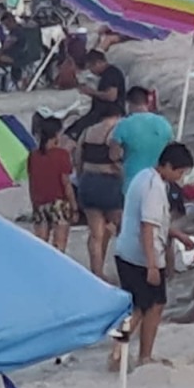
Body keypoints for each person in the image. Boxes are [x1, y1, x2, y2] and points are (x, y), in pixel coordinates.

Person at [111, 142, 194, 368]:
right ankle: (129, 355)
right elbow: (147, 227)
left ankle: (128, 354)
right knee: (146, 306)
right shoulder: (153, 187)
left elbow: (156, 223)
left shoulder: (145, 177)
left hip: (129, 253)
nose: (180, 176)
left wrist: (178, 235)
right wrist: (151, 265)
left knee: (146, 306)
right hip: (139, 257)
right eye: (179, 171)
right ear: (167, 165)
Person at [77, 112, 124, 281]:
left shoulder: (88, 131)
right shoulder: (116, 131)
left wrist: (81, 178)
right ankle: (126, 270)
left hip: (88, 181)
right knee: (120, 227)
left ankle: (96, 273)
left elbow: (78, 159)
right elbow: (116, 158)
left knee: (95, 233)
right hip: (109, 183)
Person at [28, 116, 77, 251]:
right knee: (59, 245)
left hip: (40, 203)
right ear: (56, 134)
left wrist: (34, 204)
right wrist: (74, 206)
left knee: (40, 245)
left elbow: (32, 183)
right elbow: (66, 183)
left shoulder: (33, 155)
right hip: (59, 203)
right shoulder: (62, 155)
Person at [112, 86, 174, 190]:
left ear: (128, 103)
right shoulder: (164, 123)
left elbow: (113, 155)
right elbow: (172, 150)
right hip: (157, 181)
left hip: (132, 182)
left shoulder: (123, 124)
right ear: (147, 102)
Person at [67, 50, 126, 138]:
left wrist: (91, 92)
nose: (91, 71)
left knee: (77, 130)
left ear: (99, 63)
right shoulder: (106, 74)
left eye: (91, 67)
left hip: (108, 112)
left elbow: (111, 96)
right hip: (100, 111)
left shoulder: (111, 73)